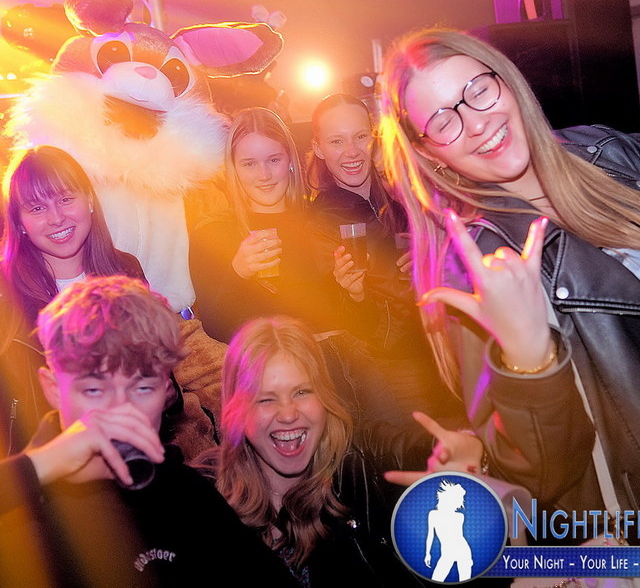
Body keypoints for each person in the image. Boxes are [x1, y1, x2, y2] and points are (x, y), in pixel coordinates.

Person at [378, 26, 640, 523]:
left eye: (478, 90)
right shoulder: (478, 269)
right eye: (443, 121)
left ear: (508, 80)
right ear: (431, 153)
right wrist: (529, 361)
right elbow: (544, 476)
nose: (477, 123)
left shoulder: (607, 150)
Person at [0, 275, 297, 588]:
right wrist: (40, 467)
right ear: (53, 389)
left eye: (142, 388)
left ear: (166, 390)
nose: (121, 410)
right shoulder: (22, 504)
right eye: (94, 390)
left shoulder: (183, 491)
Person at [193, 314, 445, 587]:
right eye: (265, 399)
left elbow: (416, 448)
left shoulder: (355, 456)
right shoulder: (203, 493)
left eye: (302, 392)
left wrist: (460, 452)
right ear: (237, 410)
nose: (288, 414)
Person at [0, 145, 220, 459]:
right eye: (37, 208)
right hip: (54, 472)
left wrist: (167, 397)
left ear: (89, 200)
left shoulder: (125, 270)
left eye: (65, 199)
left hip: (139, 456)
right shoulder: (6, 296)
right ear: (19, 221)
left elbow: (161, 378)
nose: (56, 218)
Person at [188, 107, 403, 426]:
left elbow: (363, 325)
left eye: (273, 159)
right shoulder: (214, 233)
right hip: (277, 386)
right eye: (249, 163)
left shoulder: (321, 220)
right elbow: (213, 332)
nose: (263, 174)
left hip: (350, 370)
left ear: (290, 160)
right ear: (233, 168)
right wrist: (237, 273)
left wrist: (356, 293)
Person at [307, 93, 461, 420]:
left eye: (360, 136)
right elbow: (333, 314)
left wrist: (431, 255)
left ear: (374, 136)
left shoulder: (402, 193)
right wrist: (354, 296)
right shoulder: (320, 219)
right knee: (425, 446)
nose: (351, 151)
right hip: (397, 363)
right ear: (318, 148)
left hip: (450, 345)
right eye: (336, 141)